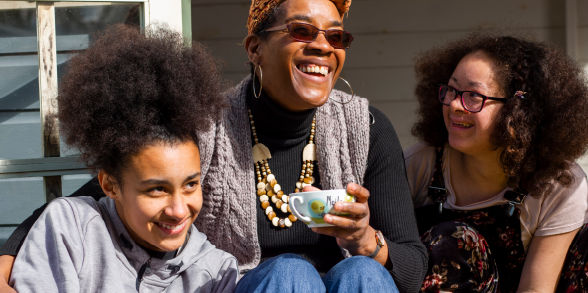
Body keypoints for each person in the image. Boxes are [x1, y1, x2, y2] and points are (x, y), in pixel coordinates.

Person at [0, 0, 428, 292]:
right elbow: (111, 189)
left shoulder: (366, 126)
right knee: (290, 275)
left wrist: (365, 239)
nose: (322, 45)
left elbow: (410, 270)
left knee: (361, 273)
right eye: (302, 31)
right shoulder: (205, 123)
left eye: (337, 37)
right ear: (255, 48)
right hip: (248, 285)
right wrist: (6, 261)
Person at [7, 25, 238, 292]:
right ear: (109, 185)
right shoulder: (70, 230)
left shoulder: (218, 275)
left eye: (190, 185)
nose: (178, 210)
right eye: (157, 189)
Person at [405, 33, 588, 292]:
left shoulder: (560, 183)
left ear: (518, 112)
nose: (455, 105)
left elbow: (536, 288)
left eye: (473, 96)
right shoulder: (418, 165)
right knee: (455, 240)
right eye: (452, 90)